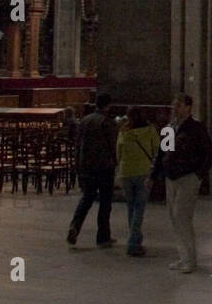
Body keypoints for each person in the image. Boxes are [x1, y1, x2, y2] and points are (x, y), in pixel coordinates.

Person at [147, 93, 212, 274]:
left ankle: (190, 260)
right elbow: (163, 152)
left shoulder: (196, 128)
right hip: (171, 177)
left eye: (178, 105)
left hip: (188, 176)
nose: (174, 108)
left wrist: (199, 174)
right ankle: (182, 256)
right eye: (173, 105)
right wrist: (153, 175)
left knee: (182, 216)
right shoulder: (170, 127)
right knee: (174, 218)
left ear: (188, 107)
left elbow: (208, 153)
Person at [67, 92, 117, 247]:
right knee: (105, 202)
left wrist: (77, 164)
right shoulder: (106, 122)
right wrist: (115, 161)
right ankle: (103, 237)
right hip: (104, 167)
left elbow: (77, 145)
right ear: (108, 106)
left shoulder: (84, 121)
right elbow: (112, 145)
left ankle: (75, 225)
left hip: (86, 166)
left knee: (87, 198)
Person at [116, 107, 159, 257]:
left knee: (131, 207)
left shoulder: (123, 131)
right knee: (139, 208)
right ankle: (133, 243)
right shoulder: (150, 130)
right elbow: (157, 149)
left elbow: (118, 152)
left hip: (126, 172)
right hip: (143, 172)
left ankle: (136, 239)